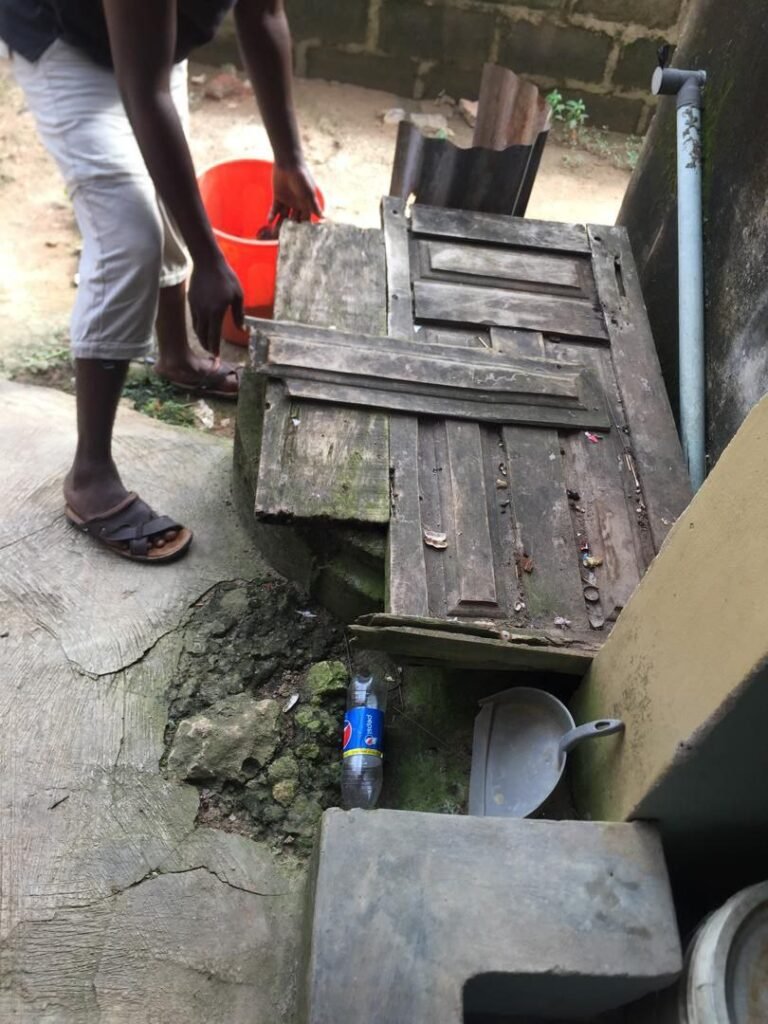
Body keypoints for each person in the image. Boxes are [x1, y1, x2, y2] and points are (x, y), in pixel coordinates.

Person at [0, 1, 319, 562]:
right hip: (64, 39)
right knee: (129, 234)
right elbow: (145, 94)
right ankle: (90, 475)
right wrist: (208, 259)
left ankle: (177, 356)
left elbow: (264, 13)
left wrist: (289, 159)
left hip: (151, 40)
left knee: (166, 180)